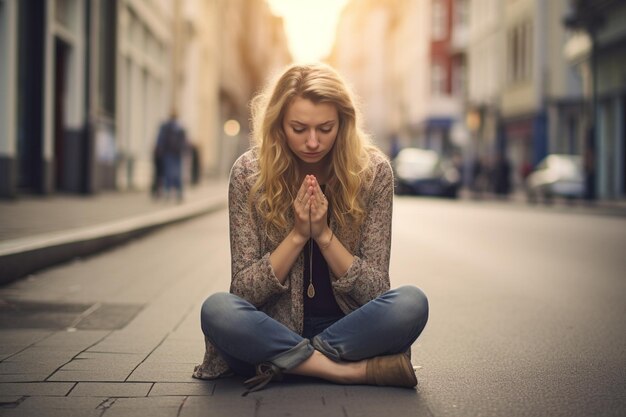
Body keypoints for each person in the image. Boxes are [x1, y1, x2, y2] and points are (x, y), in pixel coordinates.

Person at [194, 64, 429, 395]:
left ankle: (291, 363)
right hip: (271, 329)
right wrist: (298, 235)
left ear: (343, 124)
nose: (313, 141)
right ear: (279, 125)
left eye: (326, 128)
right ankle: (345, 373)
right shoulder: (249, 172)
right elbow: (242, 292)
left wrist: (323, 235)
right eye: (299, 128)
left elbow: (377, 291)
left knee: (411, 304)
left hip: (344, 332)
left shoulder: (373, 172)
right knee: (217, 310)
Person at [155, 111, 188, 201]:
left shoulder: (167, 127)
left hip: (170, 153)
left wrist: (159, 149)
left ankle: (170, 192)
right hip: (174, 153)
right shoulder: (179, 128)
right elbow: (184, 142)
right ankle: (176, 193)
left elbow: (161, 139)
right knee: (175, 174)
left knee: (169, 173)